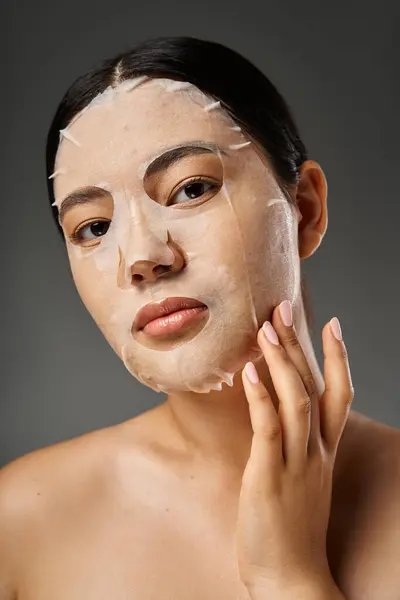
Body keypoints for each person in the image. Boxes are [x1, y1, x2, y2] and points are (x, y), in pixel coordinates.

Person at [0, 36, 399, 600]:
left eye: (191, 189)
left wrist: (291, 577)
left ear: (305, 209)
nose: (142, 257)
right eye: (92, 227)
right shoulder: (16, 524)